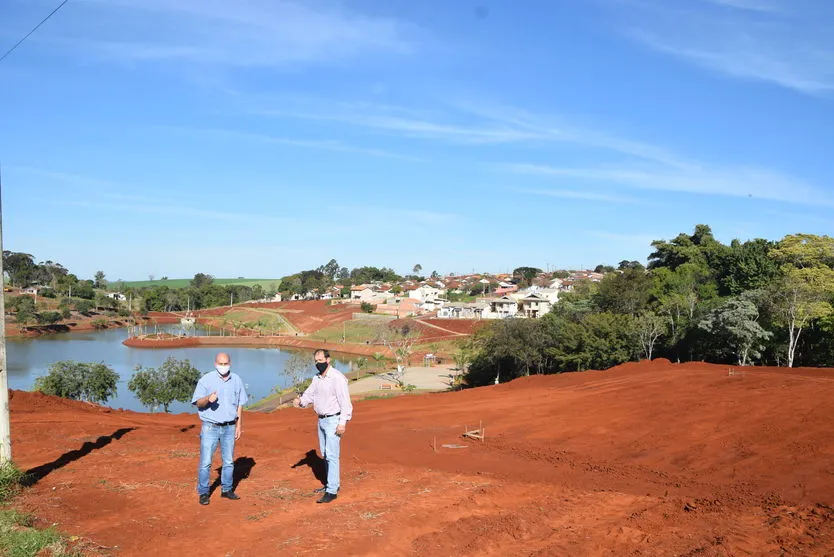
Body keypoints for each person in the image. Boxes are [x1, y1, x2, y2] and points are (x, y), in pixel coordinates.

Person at [293, 349, 353, 504]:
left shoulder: (337, 378)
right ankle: (330, 484)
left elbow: (346, 403)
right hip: (321, 420)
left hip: (334, 421)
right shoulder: (317, 378)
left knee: (332, 455)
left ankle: (332, 491)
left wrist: (342, 423)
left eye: (320, 360)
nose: (318, 363)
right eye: (316, 361)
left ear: (328, 360)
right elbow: (309, 394)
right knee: (325, 454)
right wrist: (301, 401)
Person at [191, 352, 248, 506]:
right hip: (210, 427)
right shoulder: (206, 380)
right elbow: (197, 402)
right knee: (206, 462)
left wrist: (239, 425)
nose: (224, 367)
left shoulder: (236, 380)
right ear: (215, 364)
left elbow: (240, 404)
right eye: (221, 364)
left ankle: (227, 489)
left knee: (229, 461)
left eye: (226, 363)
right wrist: (208, 399)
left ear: (230, 363)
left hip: (229, 427)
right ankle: (203, 492)